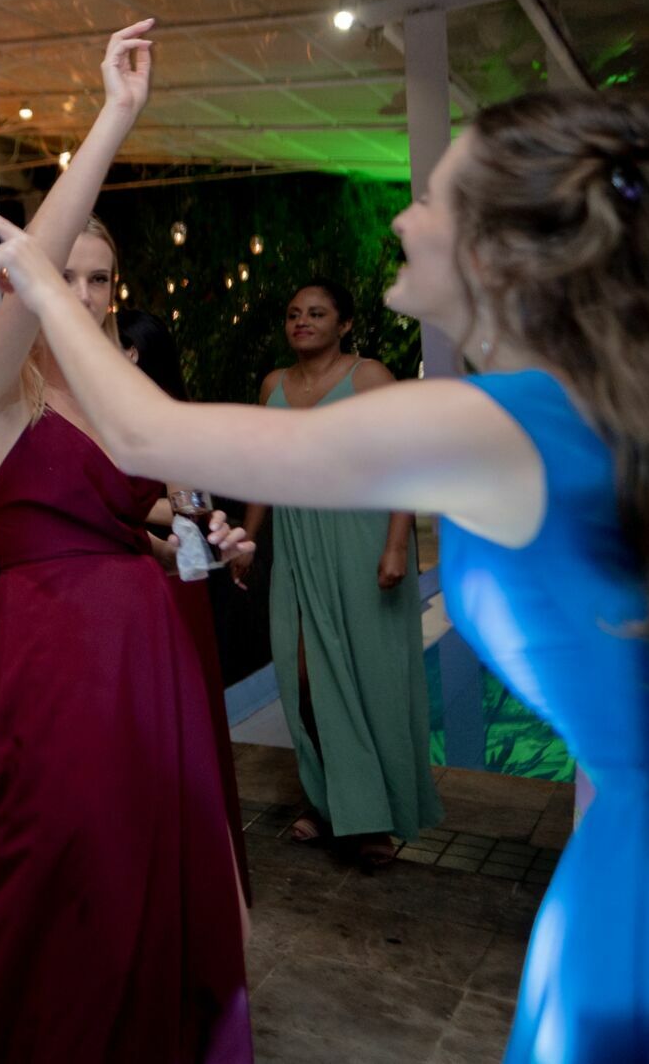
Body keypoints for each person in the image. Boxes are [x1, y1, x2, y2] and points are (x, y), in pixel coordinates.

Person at [0, 88, 649, 1063]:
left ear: (496, 249)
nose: (402, 216)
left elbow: (150, 433)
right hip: (633, 833)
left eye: (433, 199)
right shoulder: (590, 403)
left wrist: (39, 278)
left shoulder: (489, 419)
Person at [0, 20, 254, 1063]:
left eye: (100, 281)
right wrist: (115, 116)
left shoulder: (134, 399)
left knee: (149, 855)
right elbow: (39, 256)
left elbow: (179, 503)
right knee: (59, 858)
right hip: (50, 657)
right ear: (24, 289)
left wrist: (214, 534)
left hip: (150, 649)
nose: (83, 295)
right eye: (64, 276)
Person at [234, 281, 440, 869]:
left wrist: (397, 546)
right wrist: (248, 538)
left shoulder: (369, 377)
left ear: (344, 323)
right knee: (303, 682)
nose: (302, 321)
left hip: (360, 539)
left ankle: (371, 815)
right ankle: (329, 802)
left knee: (366, 677)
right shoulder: (273, 385)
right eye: (294, 313)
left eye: (317, 313)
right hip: (299, 546)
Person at [116, 307, 250, 901]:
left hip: (171, 577)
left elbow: (189, 505)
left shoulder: (169, 420)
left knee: (180, 719)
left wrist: (115, 505)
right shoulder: (92, 416)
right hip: (117, 576)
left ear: (138, 356)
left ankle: (196, 875)